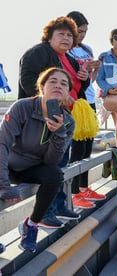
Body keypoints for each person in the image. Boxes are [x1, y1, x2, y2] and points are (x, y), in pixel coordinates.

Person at [18, 16, 89, 227]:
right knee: (50, 164)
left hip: (62, 118)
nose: (66, 38)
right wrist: (52, 100)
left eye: (70, 35)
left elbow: (76, 90)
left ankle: (59, 204)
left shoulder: (70, 59)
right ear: (49, 36)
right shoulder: (39, 52)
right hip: (42, 117)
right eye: (61, 34)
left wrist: (84, 80)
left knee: (62, 163)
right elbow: (28, 81)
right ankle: (44, 213)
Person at [0, 67, 75, 252]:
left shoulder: (68, 121)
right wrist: (3, 185)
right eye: (53, 81)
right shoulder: (23, 107)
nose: (58, 85)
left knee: (56, 175)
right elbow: (2, 144)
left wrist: (58, 134)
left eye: (64, 83)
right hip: (8, 163)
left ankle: (31, 225)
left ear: (67, 92)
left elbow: (51, 161)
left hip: (32, 168)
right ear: (41, 87)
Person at [67, 11, 106, 209]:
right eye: (79, 31)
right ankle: (74, 193)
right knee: (77, 148)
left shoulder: (87, 48)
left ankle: (84, 188)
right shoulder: (66, 50)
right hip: (75, 102)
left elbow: (89, 82)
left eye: (84, 32)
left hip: (89, 99)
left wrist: (95, 68)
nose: (81, 35)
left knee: (88, 146)